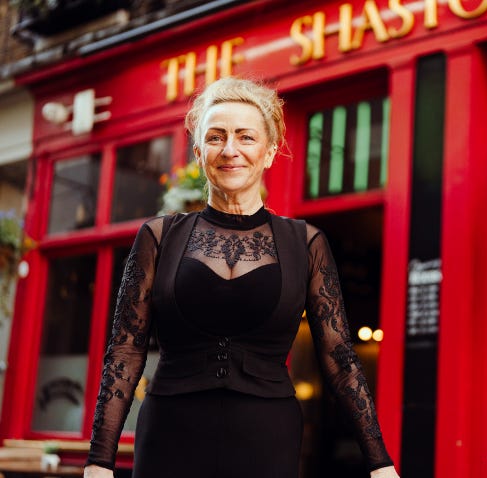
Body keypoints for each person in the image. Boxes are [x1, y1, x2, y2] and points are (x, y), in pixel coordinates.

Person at [84, 77, 399, 478]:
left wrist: (379, 461)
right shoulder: (159, 237)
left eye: (245, 137)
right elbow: (125, 353)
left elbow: (338, 357)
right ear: (199, 153)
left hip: (266, 436)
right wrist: (99, 460)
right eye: (216, 137)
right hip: (170, 432)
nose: (230, 150)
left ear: (268, 153)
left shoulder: (305, 243)